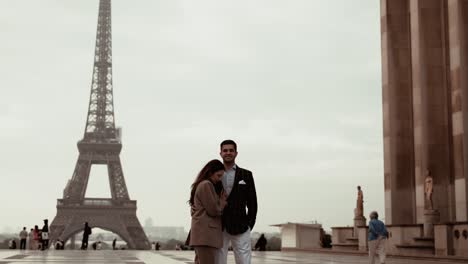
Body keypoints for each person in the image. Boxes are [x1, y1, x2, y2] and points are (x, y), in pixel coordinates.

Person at [217, 140, 258, 264]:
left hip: (241, 225)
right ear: (220, 153)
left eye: (231, 150)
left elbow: (252, 202)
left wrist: (249, 224)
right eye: (225, 150)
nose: (228, 153)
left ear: (236, 153)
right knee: (218, 259)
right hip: (218, 223)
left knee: (244, 260)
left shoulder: (246, 175)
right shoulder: (213, 174)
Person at [189, 159, 228, 264]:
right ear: (210, 172)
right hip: (206, 235)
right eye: (218, 176)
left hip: (202, 235)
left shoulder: (201, 184)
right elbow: (214, 210)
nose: (219, 179)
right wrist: (222, 202)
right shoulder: (206, 184)